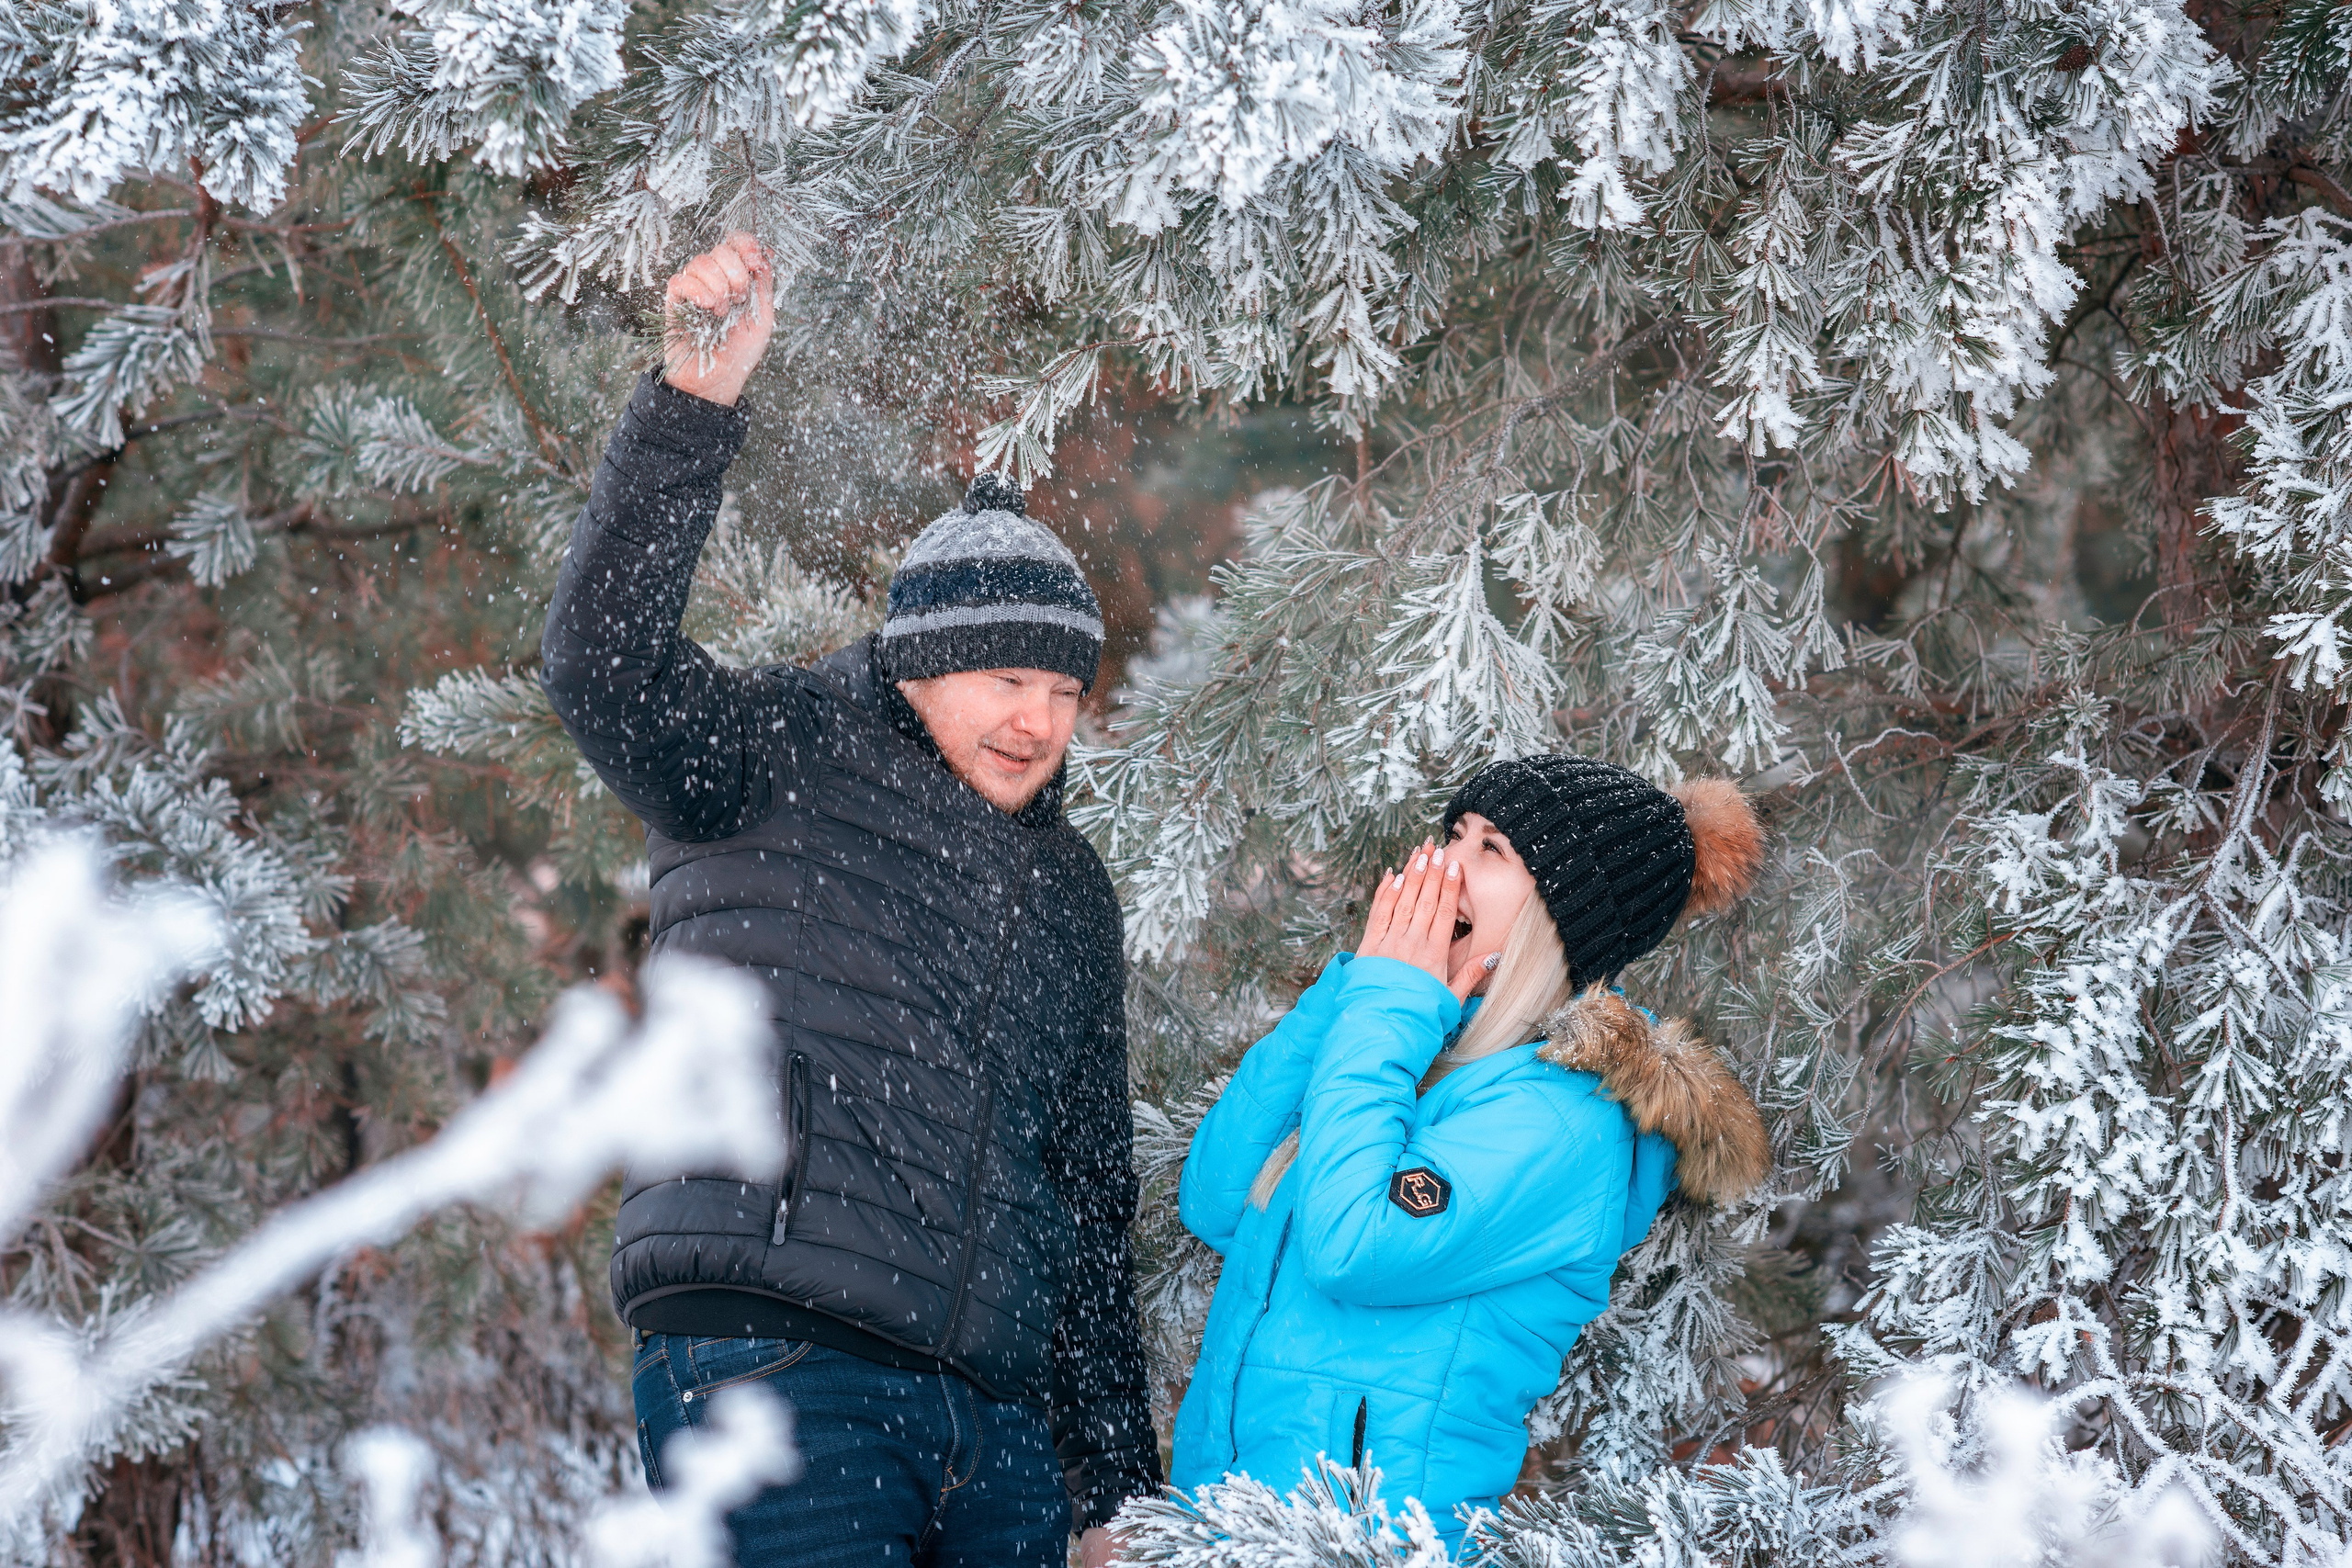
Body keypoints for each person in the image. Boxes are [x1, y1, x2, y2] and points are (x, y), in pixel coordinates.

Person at [540, 233, 1158, 1567]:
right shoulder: (774, 757)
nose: (1035, 721)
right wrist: (692, 406)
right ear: (919, 665)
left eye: (1062, 693)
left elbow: (1087, 1187)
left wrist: (1111, 1485)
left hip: (996, 1427)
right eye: (1003, 680)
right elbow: (600, 663)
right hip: (777, 1356)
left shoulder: (1069, 885)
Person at [1167, 755, 1773, 1550]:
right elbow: (1216, 1198)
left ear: (1559, 915)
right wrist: (1358, 987)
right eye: (1455, 833)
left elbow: (1355, 1246)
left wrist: (1385, 1003)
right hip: (1222, 1527)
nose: (1446, 865)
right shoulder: (1412, 1042)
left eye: (1491, 850)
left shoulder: (1564, 1119)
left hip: (1375, 1544)